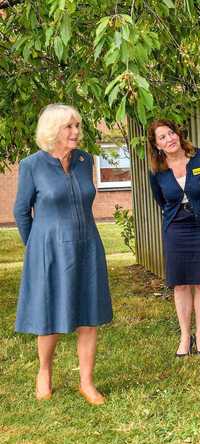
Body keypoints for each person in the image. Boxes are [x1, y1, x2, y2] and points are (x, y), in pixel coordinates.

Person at [13, 104, 113, 405]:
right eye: (69, 127)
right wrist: (36, 248)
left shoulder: (85, 160)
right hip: (49, 250)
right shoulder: (32, 165)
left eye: (78, 126)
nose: (76, 132)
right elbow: (21, 210)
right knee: (50, 314)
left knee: (89, 314)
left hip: (87, 245)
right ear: (53, 130)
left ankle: (87, 382)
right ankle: (44, 371)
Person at [147, 119, 200, 357]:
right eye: (162, 137)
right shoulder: (157, 171)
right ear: (157, 145)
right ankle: (184, 337)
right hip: (176, 228)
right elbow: (161, 199)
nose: (169, 139)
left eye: (171, 133)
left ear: (178, 135)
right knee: (180, 283)